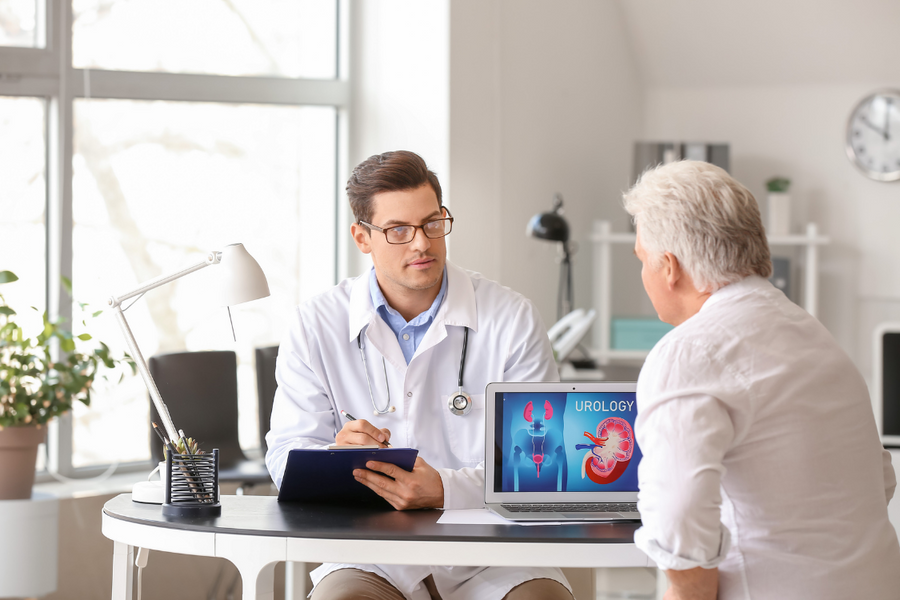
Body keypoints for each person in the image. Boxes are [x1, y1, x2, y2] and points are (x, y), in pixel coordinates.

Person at [265, 150, 573, 600]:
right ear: (362, 237)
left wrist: (446, 488)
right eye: (398, 230)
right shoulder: (316, 324)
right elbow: (285, 457)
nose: (422, 244)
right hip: (370, 550)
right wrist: (333, 457)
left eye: (432, 223)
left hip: (496, 554)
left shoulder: (511, 318)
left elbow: (542, 470)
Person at [623, 160, 900, 600]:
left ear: (669, 266)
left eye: (642, 259)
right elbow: (879, 480)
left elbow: (679, 525)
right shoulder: (814, 335)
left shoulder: (688, 352)